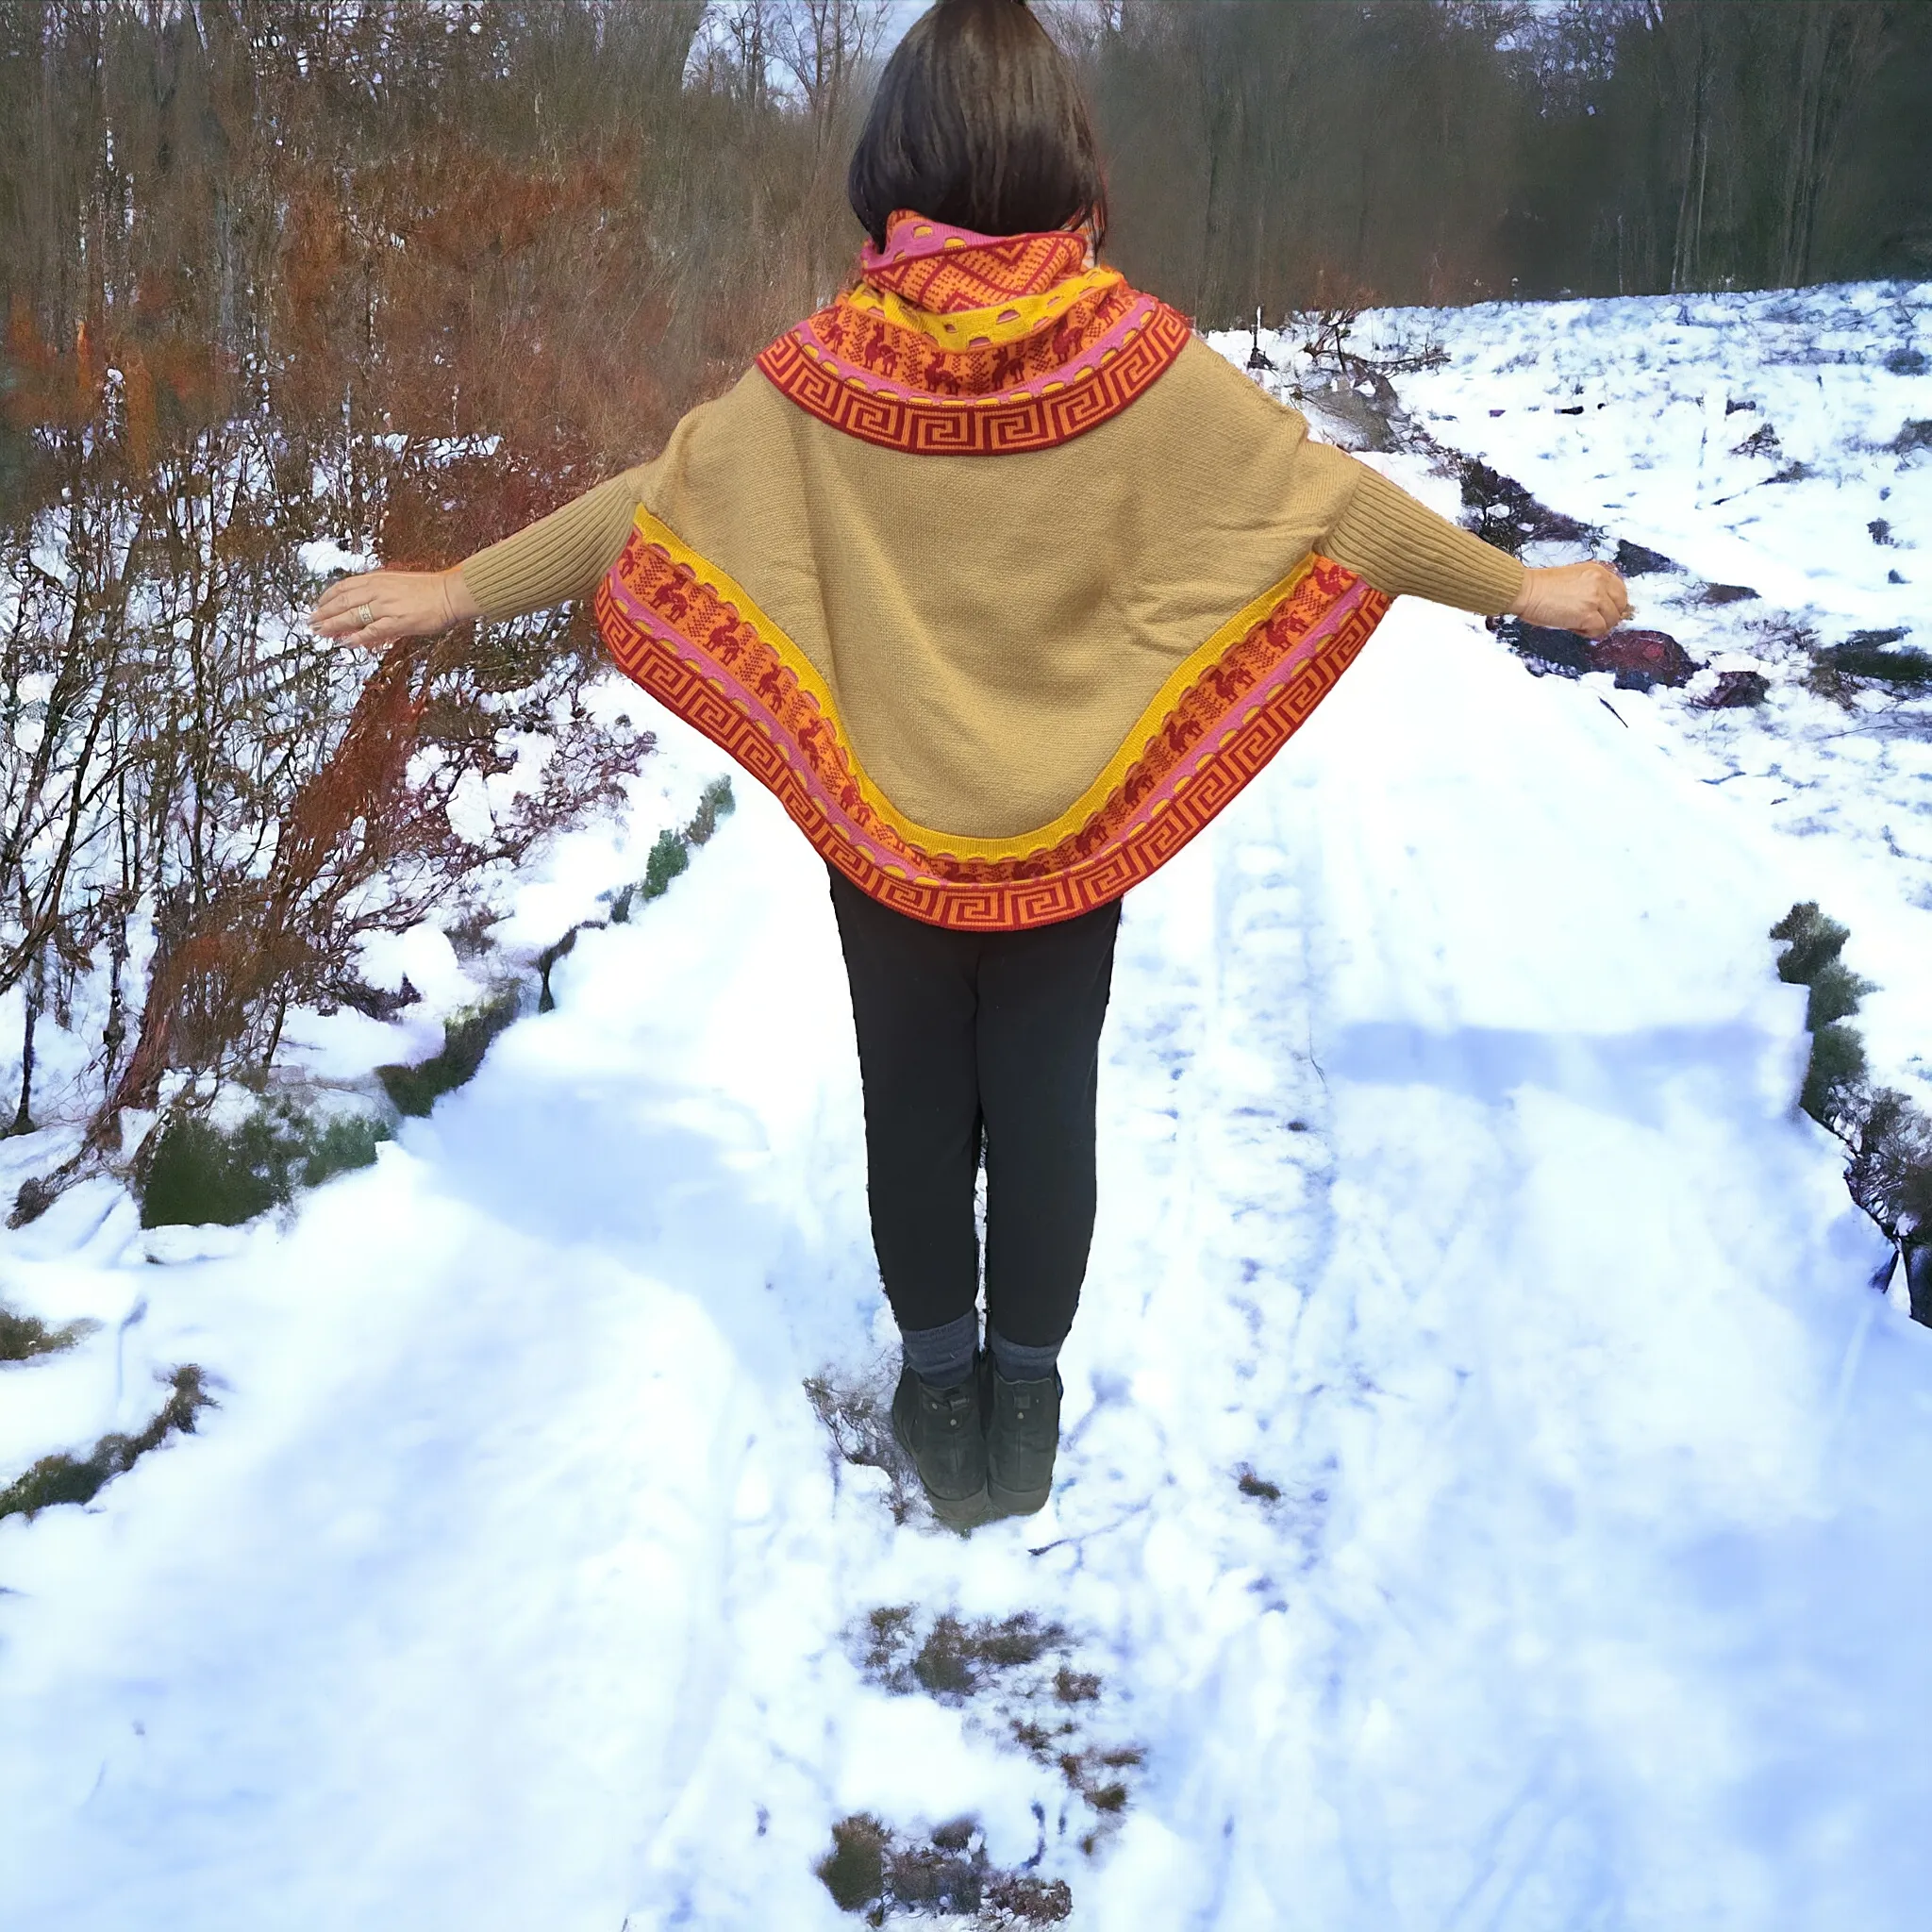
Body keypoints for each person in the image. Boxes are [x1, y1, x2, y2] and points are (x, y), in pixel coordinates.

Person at [309, 0, 1630, 1531]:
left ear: (899, 154)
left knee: (915, 1114)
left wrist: (462, 588)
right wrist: (1518, 586)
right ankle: (1030, 1402)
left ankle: (941, 1398)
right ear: (1060, 150)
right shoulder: (1138, 354)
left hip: (889, 831)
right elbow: (1326, 506)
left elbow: (644, 510)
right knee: (1047, 1111)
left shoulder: (826, 367)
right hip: (1079, 828)